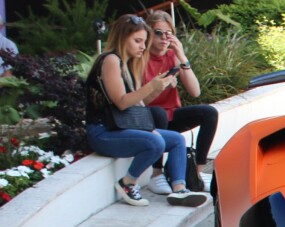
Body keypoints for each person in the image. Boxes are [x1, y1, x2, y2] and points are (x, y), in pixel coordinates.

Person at [84, 15, 206, 207]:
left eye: (144, 41)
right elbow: (122, 103)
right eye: (138, 41)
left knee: (176, 140)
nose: (143, 46)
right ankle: (127, 183)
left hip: (121, 127)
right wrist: (151, 86)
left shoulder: (128, 63)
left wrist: (159, 87)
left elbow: (139, 103)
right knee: (155, 141)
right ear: (123, 38)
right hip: (103, 132)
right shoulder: (110, 60)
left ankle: (179, 190)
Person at [140, 10, 219, 193]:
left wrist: (182, 57)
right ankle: (156, 174)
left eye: (168, 33)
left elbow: (195, 92)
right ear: (148, 33)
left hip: (172, 115)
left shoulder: (172, 57)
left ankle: (197, 172)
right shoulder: (140, 58)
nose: (163, 38)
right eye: (158, 32)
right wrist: (159, 87)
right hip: (149, 117)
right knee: (158, 112)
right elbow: (141, 100)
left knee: (209, 112)